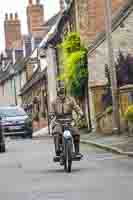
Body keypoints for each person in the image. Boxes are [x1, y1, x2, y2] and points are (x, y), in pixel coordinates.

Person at [50, 80, 84, 159]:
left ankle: (77, 152)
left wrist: (80, 113)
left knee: (76, 133)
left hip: (69, 121)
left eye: (63, 93)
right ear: (58, 94)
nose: (61, 95)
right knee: (56, 132)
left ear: (65, 93)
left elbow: (76, 107)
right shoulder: (54, 102)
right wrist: (51, 115)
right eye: (60, 94)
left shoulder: (70, 100)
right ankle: (58, 151)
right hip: (58, 121)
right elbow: (51, 111)